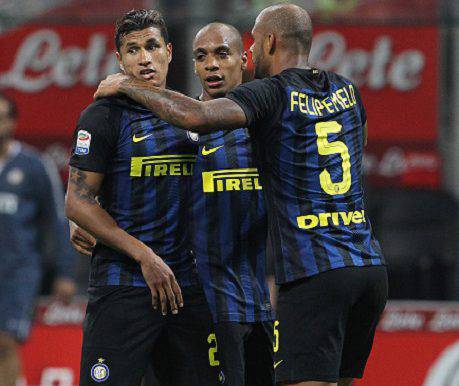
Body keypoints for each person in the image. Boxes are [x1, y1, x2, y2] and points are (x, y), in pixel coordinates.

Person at [94, 3, 388, 386]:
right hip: (362, 266)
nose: (215, 64)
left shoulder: (264, 102)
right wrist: (91, 212)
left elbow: (198, 116)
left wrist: (129, 84)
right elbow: (357, 144)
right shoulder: (345, 89)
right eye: (202, 56)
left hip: (303, 280)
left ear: (261, 47)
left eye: (231, 51)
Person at [65, 9, 215, 386]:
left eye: (151, 47)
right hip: (124, 284)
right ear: (119, 60)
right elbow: (77, 201)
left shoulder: (192, 115)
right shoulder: (100, 117)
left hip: (187, 287)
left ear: (168, 51)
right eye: (132, 50)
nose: (144, 58)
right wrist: (145, 256)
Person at [190, 23, 274, 386]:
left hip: (260, 302)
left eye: (222, 54)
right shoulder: (181, 132)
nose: (211, 65)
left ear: (244, 59)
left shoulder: (270, 131)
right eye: (202, 56)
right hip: (202, 303)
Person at [0, 91, 77, 386]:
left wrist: (64, 272)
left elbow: (57, 220)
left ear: (12, 123)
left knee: (4, 341)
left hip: (17, 272)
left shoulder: (33, 166)